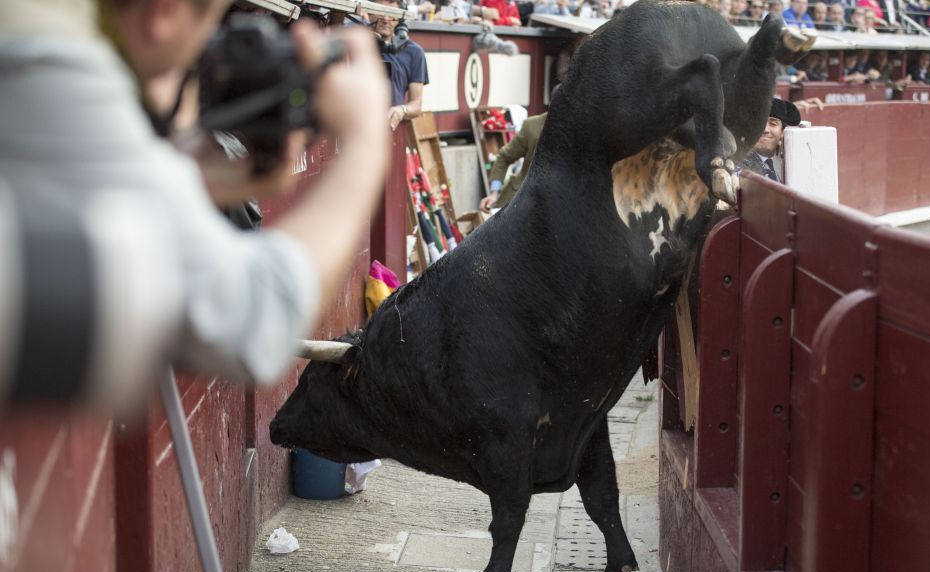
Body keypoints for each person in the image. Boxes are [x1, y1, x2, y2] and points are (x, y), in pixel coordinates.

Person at [0, 0, 390, 393]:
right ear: (163, 12)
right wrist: (365, 141)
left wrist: (184, 173)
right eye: (210, 29)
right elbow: (252, 319)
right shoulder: (50, 51)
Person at [366, 0, 431, 131]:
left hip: (390, 131)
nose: (386, 19)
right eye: (380, 11)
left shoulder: (414, 52)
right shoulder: (355, 45)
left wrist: (401, 110)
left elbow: (416, 105)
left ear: (400, 19)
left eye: (392, 14)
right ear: (369, 12)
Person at [479, 112, 547, 211]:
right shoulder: (533, 126)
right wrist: (494, 193)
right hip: (519, 199)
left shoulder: (572, 132)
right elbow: (504, 157)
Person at [741, 98, 801, 183]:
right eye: (759, 123)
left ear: (782, 132)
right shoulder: (740, 167)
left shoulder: (771, 161)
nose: (765, 129)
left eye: (773, 124)